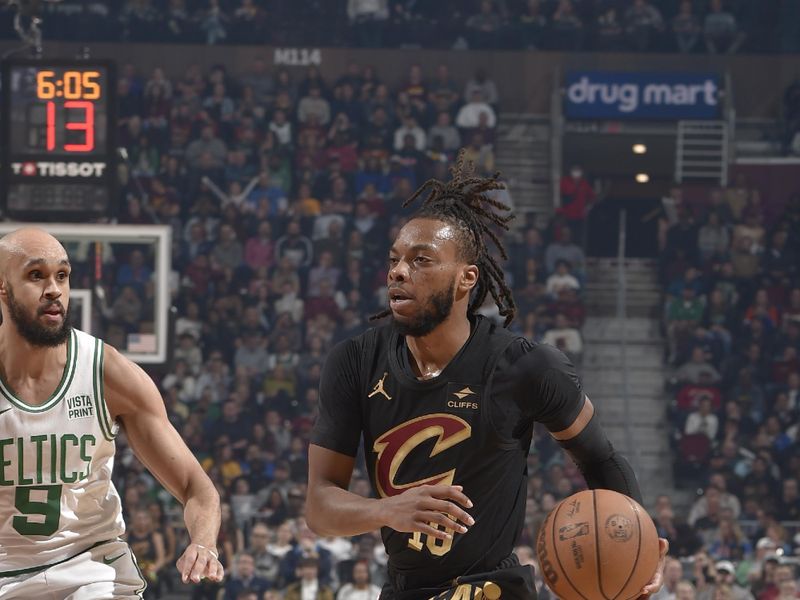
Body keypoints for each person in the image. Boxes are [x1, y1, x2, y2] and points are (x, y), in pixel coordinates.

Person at [306, 153, 668, 599]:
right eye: (396, 259)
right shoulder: (354, 362)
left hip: (492, 588)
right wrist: (388, 510)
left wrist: (640, 540)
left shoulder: (526, 366)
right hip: (404, 590)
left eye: (422, 260)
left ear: (466, 279)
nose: (399, 271)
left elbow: (600, 459)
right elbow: (320, 506)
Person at [0, 228, 224, 597]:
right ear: (3, 287)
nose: (54, 289)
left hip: (89, 567)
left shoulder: (107, 373)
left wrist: (203, 542)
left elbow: (197, 488)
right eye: (35, 275)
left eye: (62, 275)